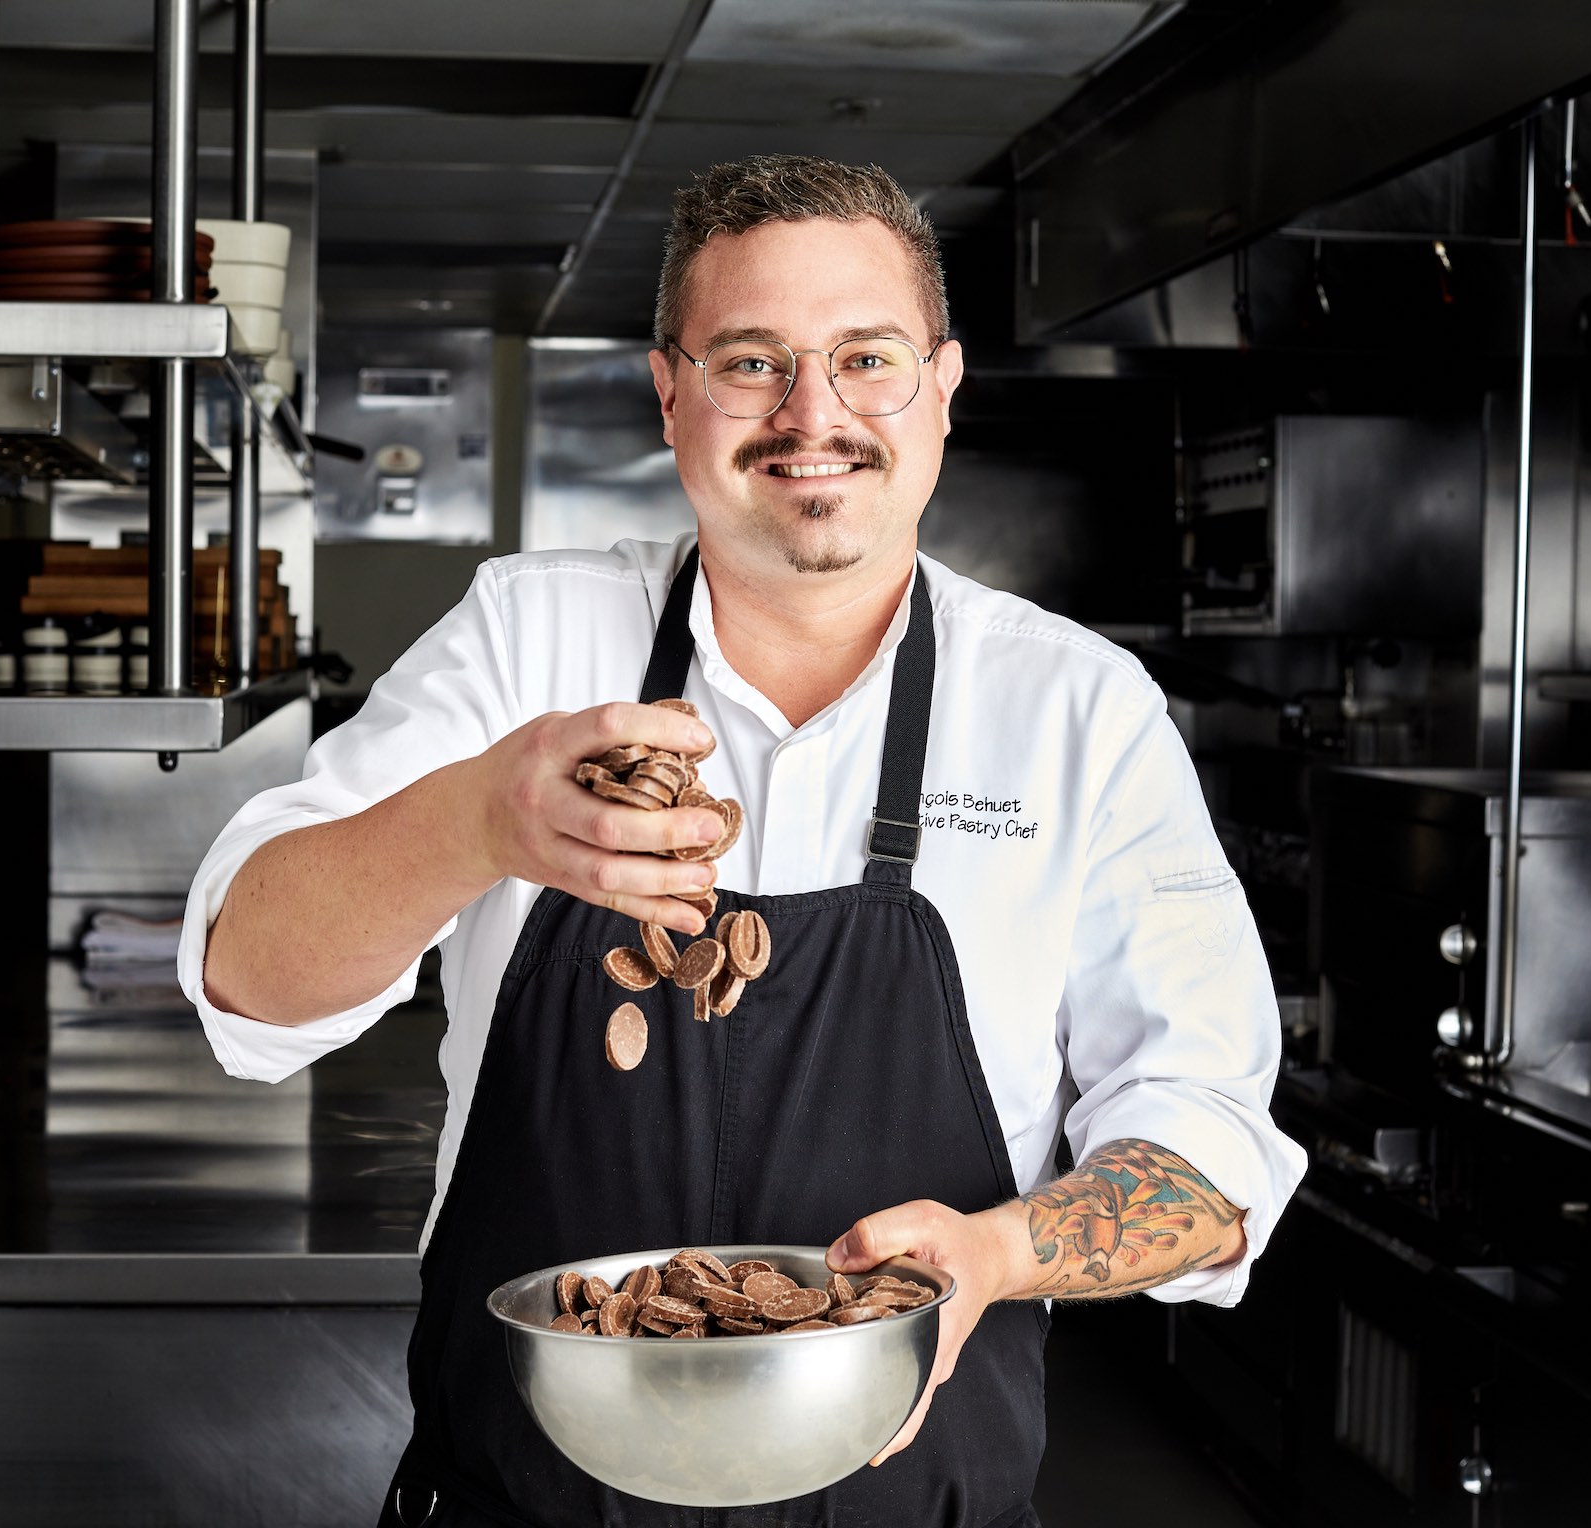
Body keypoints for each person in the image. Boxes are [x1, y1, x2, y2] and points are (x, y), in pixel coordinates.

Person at [182, 154, 1305, 1528]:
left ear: (942, 387)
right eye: (751, 361)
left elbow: (1209, 1151)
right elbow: (250, 978)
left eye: (866, 358)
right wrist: (473, 820)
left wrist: (999, 1253)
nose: (811, 413)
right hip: (529, 1491)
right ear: (671, 394)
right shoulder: (529, 638)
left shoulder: (1071, 708)